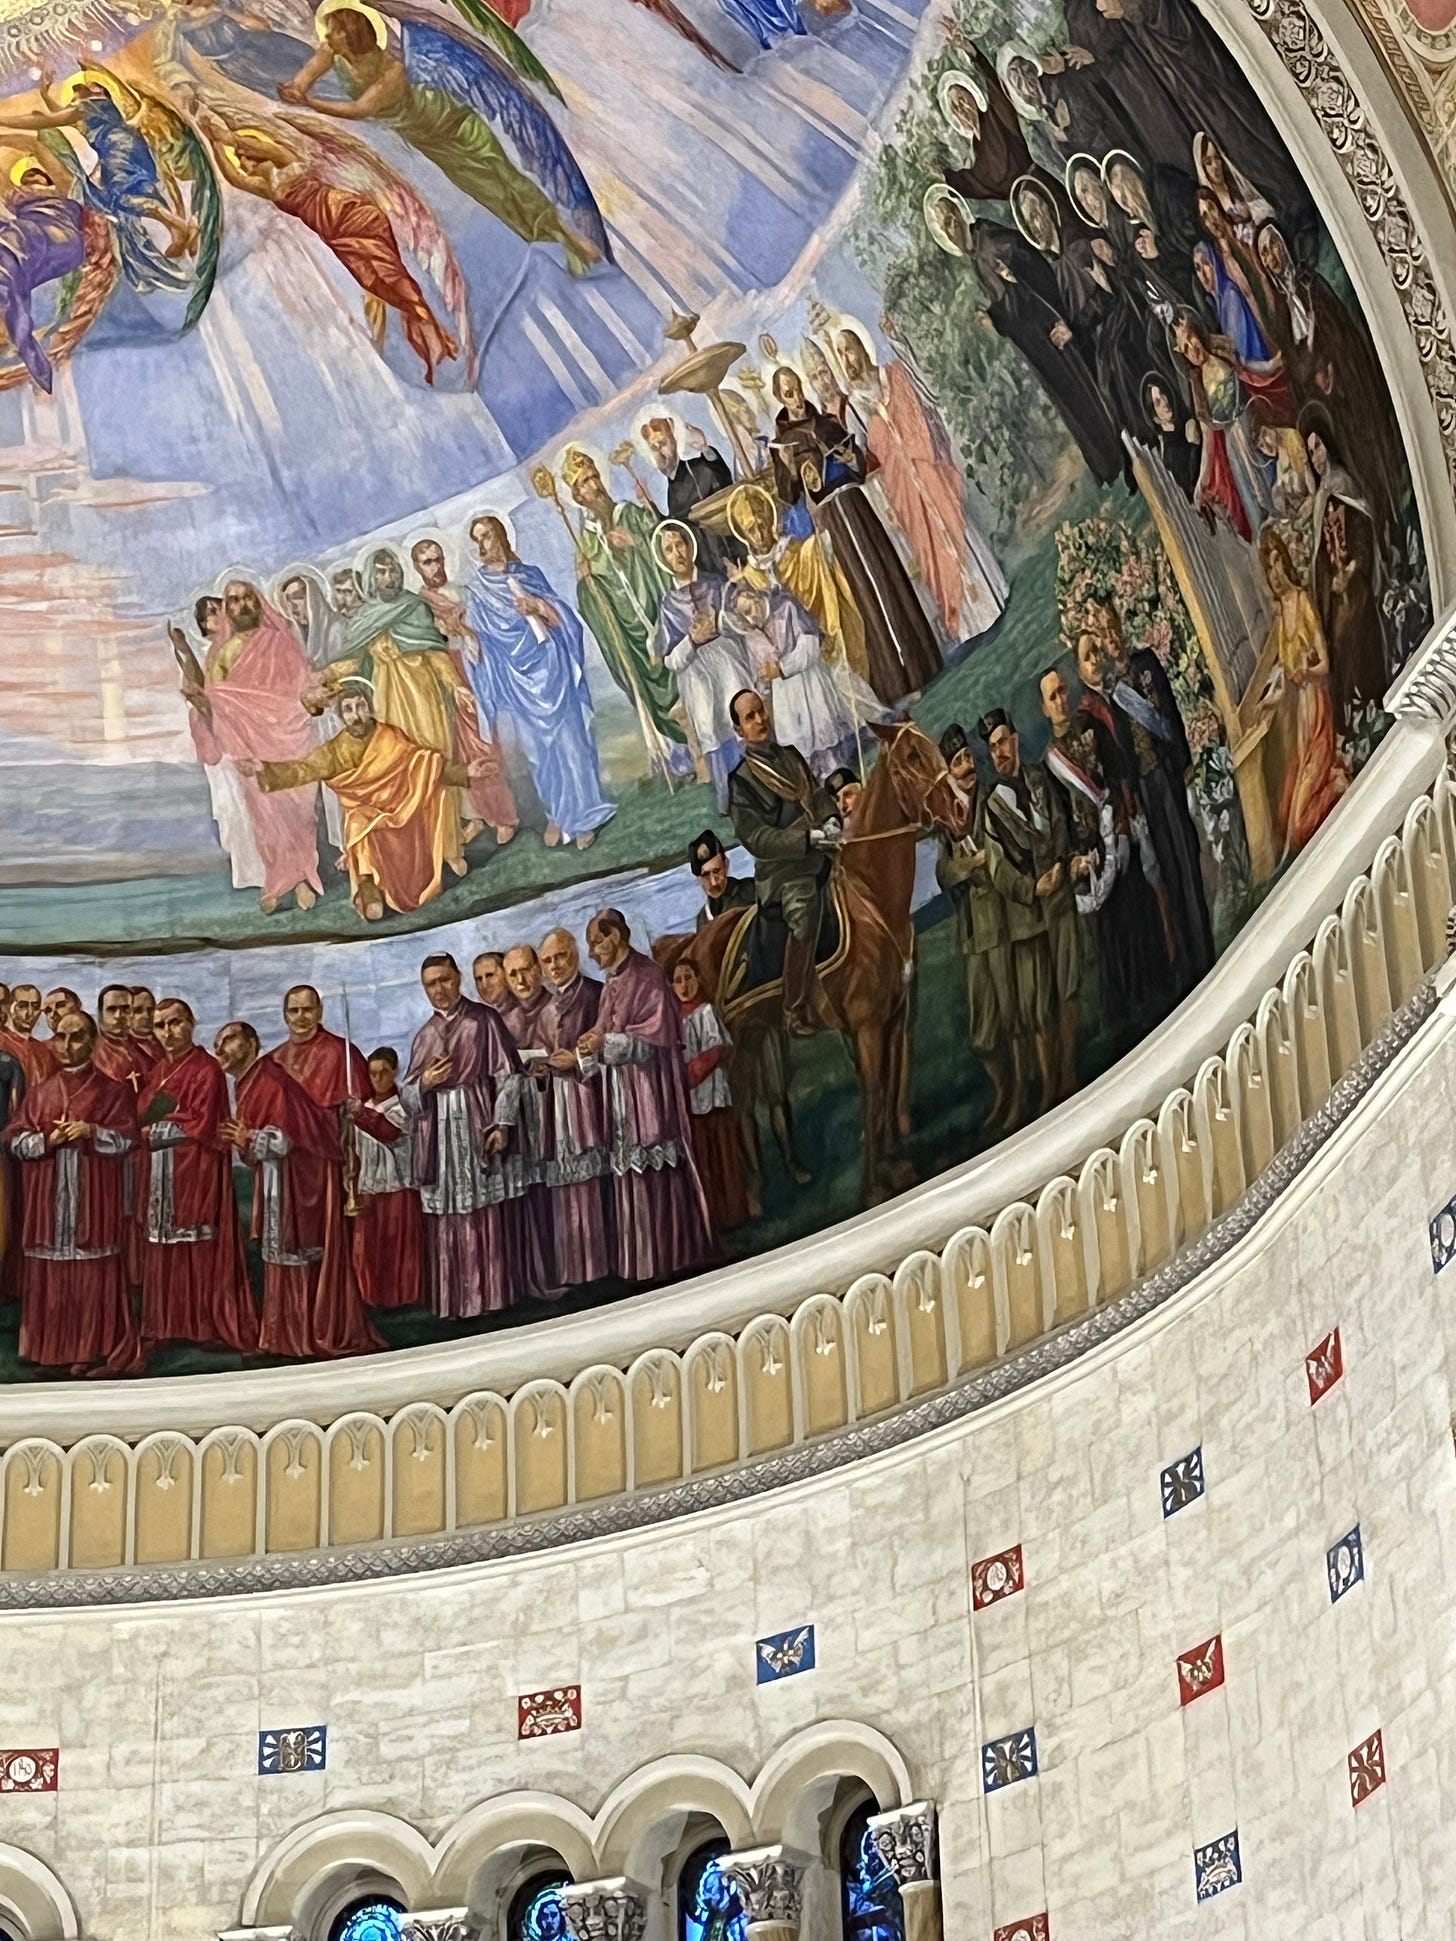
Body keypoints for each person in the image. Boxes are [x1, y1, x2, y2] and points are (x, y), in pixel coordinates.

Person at [278, 4, 603, 271]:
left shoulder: (391, 69)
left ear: (350, 34)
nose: (327, 37)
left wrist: (309, 102)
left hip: (453, 121)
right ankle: (544, 241)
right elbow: (311, 70)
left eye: (333, 30)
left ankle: (569, 238)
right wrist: (297, 87)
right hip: (431, 141)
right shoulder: (334, 54)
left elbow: (360, 109)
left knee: (506, 176)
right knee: (487, 191)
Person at [770, 365, 941, 706]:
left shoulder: (828, 423)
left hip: (855, 505)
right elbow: (788, 496)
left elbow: (860, 466)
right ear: (780, 398)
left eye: (796, 388)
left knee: (885, 575)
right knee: (861, 594)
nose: (796, 396)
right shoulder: (782, 443)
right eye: (787, 392)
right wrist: (790, 468)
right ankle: (892, 682)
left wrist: (851, 456)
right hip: (830, 518)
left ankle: (921, 664)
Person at [214, 1020, 378, 1357]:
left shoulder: (271, 1081)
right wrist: (248, 1142)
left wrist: (250, 1139)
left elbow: (285, 1138)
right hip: (277, 1179)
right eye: (218, 1045)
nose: (221, 1050)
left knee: (294, 1256)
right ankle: (277, 1338)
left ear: (252, 1041)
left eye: (229, 1040)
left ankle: (302, 1337)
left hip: (301, 1180)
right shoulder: (248, 1084)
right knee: (278, 1259)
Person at [835, 323, 1006, 643]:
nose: (847, 359)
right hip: (903, 488)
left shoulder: (894, 375)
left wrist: (899, 340)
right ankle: (968, 621)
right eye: (840, 354)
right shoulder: (854, 407)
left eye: (849, 349)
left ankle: (991, 595)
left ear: (862, 347)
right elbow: (861, 455)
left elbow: (927, 390)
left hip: (928, 469)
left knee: (956, 528)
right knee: (931, 549)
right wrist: (852, 461)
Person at [250, 683, 481, 918]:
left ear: (369, 708)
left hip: (402, 809)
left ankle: (402, 884)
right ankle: (369, 890)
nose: (356, 715)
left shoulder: (389, 736)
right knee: (359, 823)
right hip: (368, 813)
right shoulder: (337, 749)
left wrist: (465, 772)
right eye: (349, 710)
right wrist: (267, 772)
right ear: (342, 716)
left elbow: (422, 763)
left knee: (394, 838)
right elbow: (305, 768)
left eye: (360, 706)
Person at [401, 953, 543, 1318]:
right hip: (441, 1136)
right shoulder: (425, 1035)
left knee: (487, 1214)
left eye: (444, 980)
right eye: (431, 984)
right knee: (451, 1217)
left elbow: (508, 1076)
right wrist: (425, 1083)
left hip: (477, 1121)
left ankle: (494, 1297)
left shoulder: (483, 1019)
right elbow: (408, 1097)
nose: (440, 990)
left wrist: (502, 1124)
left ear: (458, 978)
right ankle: (458, 1302)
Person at [464, 512, 617, 850]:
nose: (483, 545)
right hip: (517, 683)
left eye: (486, 535)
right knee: (539, 756)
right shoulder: (477, 591)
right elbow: (478, 644)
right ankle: (558, 815)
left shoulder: (529, 575)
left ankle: (585, 817)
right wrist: (466, 638)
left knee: (572, 745)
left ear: (501, 536)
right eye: (477, 540)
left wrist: (538, 606)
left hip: (552, 671)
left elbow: (565, 619)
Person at [577, 910, 714, 1281]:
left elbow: (653, 1039)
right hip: (623, 1093)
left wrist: (604, 1042)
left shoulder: (649, 976)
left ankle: (670, 1257)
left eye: (596, 943)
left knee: (656, 1172)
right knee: (629, 1176)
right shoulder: (612, 982)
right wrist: (589, 1043)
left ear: (617, 936)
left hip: (649, 1090)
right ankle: (641, 1263)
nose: (592, 953)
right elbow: (605, 1029)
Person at [1088, 597, 1214, 996]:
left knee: (1185, 858)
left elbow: (1170, 714)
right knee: (1168, 871)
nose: (1111, 638)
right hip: (1145, 786)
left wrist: (1184, 759)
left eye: (1112, 629)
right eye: (1104, 635)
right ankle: (1191, 962)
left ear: (1121, 630)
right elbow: (1124, 752)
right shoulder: (1114, 693)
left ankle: (1206, 950)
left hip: (1165, 773)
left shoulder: (1145, 665)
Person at [7, 1010, 142, 1375]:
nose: (67, 1046)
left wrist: (92, 1132)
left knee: (90, 1271)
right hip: (48, 1205)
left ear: (92, 1041)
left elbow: (130, 1140)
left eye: (77, 1036)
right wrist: (47, 1141)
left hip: (93, 1202)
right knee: (50, 1273)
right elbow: (16, 1141)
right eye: (61, 1038)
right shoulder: (39, 1093)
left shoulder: (112, 1092)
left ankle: (91, 1348)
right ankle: (47, 1351)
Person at [178, 578, 324, 914]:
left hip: (289, 739)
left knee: (298, 813)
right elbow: (221, 704)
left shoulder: (281, 642)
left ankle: (302, 878)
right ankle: (279, 880)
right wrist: (213, 717)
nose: (242, 605)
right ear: (227, 608)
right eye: (234, 600)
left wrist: (307, 702)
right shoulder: (222, 652)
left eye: (247, 598)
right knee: (267, 818)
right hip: (250, 745)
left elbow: (301, 687)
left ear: (258, 602)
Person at [689, 830, 808, 1202]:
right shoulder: (701, 923)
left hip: (764, 1010)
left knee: (777, 1093)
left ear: (726, 864)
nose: (714, 881)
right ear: (698, 878)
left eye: (717, 870)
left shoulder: (752, 895)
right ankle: (756, 1180)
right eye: (705, 875)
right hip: (732, 1028)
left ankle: (792, 1161)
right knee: (743, 1101)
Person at [138, 999, 258, 1353]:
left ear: (191, 1022)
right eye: (160, 1026)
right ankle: (167, 1325)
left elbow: (203, 1123)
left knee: (195, 1246)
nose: (168, 1033)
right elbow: (140, 1114)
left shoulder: (206, 1068)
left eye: (176, 1023)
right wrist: (161, 1122)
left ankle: (203, 1327)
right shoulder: (160, 1069)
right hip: (163, 1170)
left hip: (196, 1169)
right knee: (164, 1247)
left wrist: (157, 1128)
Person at [563, 447, 690, 781]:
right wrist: (587, 581)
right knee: (649, 688)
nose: (594, 486)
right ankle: (678, 755)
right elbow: (590, 597)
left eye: (594, 477)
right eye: (585, 483)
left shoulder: (629, 513)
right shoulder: (584, 541)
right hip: (627, 630)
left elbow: (661, 543)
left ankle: (701, 741)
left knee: (678, 675)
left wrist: (634, 542)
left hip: (658, 612)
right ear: (577, 496)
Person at [726, 687, 842, 1037]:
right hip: (783, 873)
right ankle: (794, 1006)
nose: (760, 720)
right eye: (750, 717)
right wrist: (806, 839)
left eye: (761, 712)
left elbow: (818, 796)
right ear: (739, 731)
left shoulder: (791, 755)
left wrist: (832, 819)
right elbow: (758, 840)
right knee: (804, 912)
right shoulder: (740, 782)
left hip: (823, 849)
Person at [977, 710, 1070, 1119]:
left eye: (1003, 742)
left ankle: (1066, 1077)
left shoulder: (1037, 780)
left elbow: (1061, 823)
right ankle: (1048, 1089)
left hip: (1060, 903)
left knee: (1066, 988)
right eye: (992, 747)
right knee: (1036, 1007)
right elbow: (997, 868)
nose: (1000, 752)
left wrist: (1062, 866)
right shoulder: (992, 806)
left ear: (1015, 740)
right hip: (1026, 918)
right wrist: (1032, 889)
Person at [935, 725, 1020, 1131]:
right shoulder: (947, 819)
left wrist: (977, 866)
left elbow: (1002, 855)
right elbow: (944, 873)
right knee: (983, 1031)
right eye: (958, 762)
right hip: (972, 932)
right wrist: (969, 865)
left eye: (969, 758)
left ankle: (1021, 1092)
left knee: (1012, 1012)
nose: (968, 767)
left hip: (1001, 922)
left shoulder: (992, 798)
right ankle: (1003, 1089)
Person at [410, 535, 519, 846]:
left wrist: (461, 628)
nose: (436, 566)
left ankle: (502, 814)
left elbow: (481, 631)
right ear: (418, 567)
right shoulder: (420, 604)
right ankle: (476, 816)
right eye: (428, 562)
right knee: (454, 749)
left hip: (470, 670)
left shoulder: (461, 592)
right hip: (441, 678)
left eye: (438, 559)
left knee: (483, 744)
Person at [725, 577, 879, 780]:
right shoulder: (751, 636)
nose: (751, 618)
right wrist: (764, 681)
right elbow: (759, 674)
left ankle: (843, 778)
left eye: (750, 610)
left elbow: (810, 646)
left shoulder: (786, 607)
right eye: (744, 617)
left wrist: (782, 668)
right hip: (785, 700)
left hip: (808, 683)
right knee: (801, 747)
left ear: (755, 596)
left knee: (823, 736)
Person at [1255, 527, 1348, 854]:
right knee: (1284, 819)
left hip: (1318, 717)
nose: (1275, 574)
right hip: (1300, 731)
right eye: (1268, 568)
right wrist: (1267, 703)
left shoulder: (1303, 601)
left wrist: (1305, 671)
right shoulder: (1281, 618)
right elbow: (1282, 677)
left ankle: (1337, 783)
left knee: (1300, 829)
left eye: (1277, 563)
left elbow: (1324, 664)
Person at [653, 521, 753, 808]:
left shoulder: (715, 584)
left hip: (728, 663)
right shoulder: (669, 606)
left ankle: (759, 784)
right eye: (669, 550)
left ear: (690, 545)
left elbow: (742, 622)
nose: (677, 554)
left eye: (679, 544)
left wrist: (719, 623)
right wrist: (692, 641)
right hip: (697, 675)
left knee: (739, 715)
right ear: (664, 560)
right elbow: (671, 660)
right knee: (710, 727)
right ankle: (730, 797)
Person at [1303, 406, 1388, 730]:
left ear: (1328, 445)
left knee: (1354, 631)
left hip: (1357, 581)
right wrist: (1329, 580)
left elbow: (1363, 532)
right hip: (1338, 592)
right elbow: (1320, 557)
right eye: (1310, 453)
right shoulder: (1322, 497)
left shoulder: (1342, 484)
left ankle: (1372, 701)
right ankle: (1353, 716)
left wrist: (1352, 569)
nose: (1316, 457)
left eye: (1318, 447)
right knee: (1336, 640)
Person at [539, 927, 611, 1287]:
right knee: (564, 1193)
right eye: (547, 961)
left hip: (589, 1103)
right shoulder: (546, 1010)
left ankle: (601, 1269)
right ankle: (573, 1272)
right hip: (557, 1109)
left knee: (594, 1187)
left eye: (560, 957)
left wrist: (579, 1064)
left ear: (575, 955)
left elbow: (611, 1053)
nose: (554, 966)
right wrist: (538, 1070)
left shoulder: (597, 995)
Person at [673, 959, 750, 1233]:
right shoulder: (672, 1021)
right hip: (692, 1104)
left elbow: (715, 1048)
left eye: (688, 977)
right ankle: (712, 1216)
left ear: (698, 979)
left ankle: (734, 1213)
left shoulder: (706, 1012)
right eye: (678, 980)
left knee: (724, 1155)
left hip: (712, 1095)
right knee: (703, 1160)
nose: (684, 985)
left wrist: (688, 1077)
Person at [348, 1046, 424, 1310]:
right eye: (373, 1073)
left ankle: (403, 1298)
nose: (378, 1079)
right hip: (370, 1186)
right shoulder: (363, 1107)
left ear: (395, 1073)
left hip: (397, 1187)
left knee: (398, 1246)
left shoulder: (403, 1105)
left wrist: (359, 1114)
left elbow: (388, 1131)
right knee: (369, 1248)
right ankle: (372, 1297)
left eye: (384, 1073)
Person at [502, 943, 559, 1291]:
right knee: (532, 1202)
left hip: (558, 1115)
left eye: (526, 970)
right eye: (513, 974)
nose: (521, 979)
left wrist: (548, 1069)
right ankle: (538, 1277)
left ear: (538, 969)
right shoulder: (505, 1021)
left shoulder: (556, 1008)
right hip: (524, 1125)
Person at [639, 416, 739, 574]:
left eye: (663, 443)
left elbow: (724, 480)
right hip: (705, 561)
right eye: (654, 447)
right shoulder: (670, 489)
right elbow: (676, 526)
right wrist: (650, 505)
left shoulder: (698, 468)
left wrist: (704, 449)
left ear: (674, 439)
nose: (661, 452)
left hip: (728, 548)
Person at [268, 985, 367, 1115]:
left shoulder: (344, 1052)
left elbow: (367, 1104)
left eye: (307, 1009)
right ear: (285, 1016)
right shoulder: (274, 1059)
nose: (300, 1016)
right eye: (293, 1011)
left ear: (319, 1012)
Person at [0, 984, 57, 1088]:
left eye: (35, 1007)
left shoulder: (44, 1051)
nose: (29, 1013)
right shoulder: (2, 1042)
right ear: (9, 1007)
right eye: (22, 1006)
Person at [473, 950, 519, 1029]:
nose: (484, 984)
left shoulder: (523, 1015)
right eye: (479, 979)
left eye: (490, 975)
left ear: (506, 975)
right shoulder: (479, 1019)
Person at [129, 988, 161, 1072]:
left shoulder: (164, 1042)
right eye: (138, 1010)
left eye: (150, 1010)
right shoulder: (119, 1050)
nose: (146, 1016)